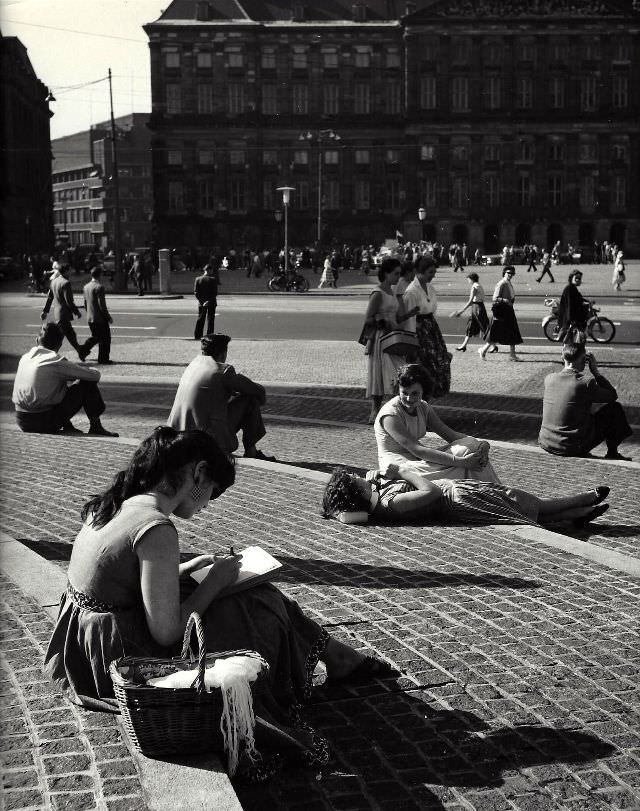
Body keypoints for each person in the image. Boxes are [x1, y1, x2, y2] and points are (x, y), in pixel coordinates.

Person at [44, 427, 396, 778]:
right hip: (119, 651)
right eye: (211, 492)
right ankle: (333, 658)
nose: (207, 504)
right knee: (257, 606)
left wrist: (184, 569)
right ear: (198, 473)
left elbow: (118, 576)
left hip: (86, 641)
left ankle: (336, 657)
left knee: (250, 596)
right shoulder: (156, 528)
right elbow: (166, 633)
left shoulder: (121, 504)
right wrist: (214, 581)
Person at [321, 466, 611, 530]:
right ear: (354, 490)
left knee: (527, 511)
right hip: (458, 498)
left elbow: (344, 514)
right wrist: (406, 472)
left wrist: (380, 480)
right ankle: (584, 499)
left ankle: (578, 515)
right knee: (530, 505)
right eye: (352, 477)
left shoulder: (378, 498)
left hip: (460, 496)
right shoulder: (390, 505)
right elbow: (430, 491)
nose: (356, 474)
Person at [374, 363, 500, 484]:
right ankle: (498, 492)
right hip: (400, 470)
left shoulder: (423, 407)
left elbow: (451, 435)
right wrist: (463, 462)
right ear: (398, 390)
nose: (409, 398)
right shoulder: (391, 415)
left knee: (471, 446)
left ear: (424, 391)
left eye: (415, 393)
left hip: (421, 463)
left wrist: (482, 444)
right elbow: (417, 450)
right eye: (404, 393)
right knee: (464, 462)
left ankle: (494, 492)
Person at [168, 333, 276, 461]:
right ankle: (251, 451)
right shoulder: (222, 371)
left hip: (177, 435)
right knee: (250, 400)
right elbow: (257, 391)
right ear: (223, 353)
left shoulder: (193, 365)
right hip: (206, 439)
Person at [12, 323, 118, 436]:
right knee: (85, 382)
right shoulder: (55, 361)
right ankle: (96, 426)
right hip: (43, 422)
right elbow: (94, 376)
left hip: (21, 420)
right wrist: (84, 371)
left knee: (54, 383)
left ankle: (68, 425)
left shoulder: (25, 358)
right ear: (60, 344)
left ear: (37, 340)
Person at [539, 342, 633, 461]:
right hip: (573, 446)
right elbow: (612, 395)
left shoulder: (549, 378)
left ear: (563, 358)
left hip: (546, 442)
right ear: (584, 360)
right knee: (614, 408)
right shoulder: (586, 383)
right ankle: (612, 452)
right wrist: (596, 372)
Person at [363, 257, 419, 424]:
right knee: (380, 372)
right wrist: (383, 322)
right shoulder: (378, 293)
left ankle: (393, 411)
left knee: (395, 372)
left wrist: (409, 314)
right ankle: (375, 410)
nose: (397, 277)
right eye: (395, 274)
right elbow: (368, 319)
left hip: (393, 337)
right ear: (386, 273)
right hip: (381, 338)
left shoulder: (392, 292)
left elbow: (397, 317)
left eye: (399, 274)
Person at [402, 256, 451, 397]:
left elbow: (433, 309)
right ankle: (421, 402)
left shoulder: (430, 287)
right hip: (418, 331)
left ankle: (427, 399)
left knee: (439, 362)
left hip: (431, 329)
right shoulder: (411, 291)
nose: (433, 275)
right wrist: (412, 341)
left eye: (434, 272)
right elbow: (410, 319)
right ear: (420, 272)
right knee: (424, 367)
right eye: (430, 272)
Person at [40, 263, 90, 361]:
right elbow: (69, 301)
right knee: (64, 336)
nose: (71, 272)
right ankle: (48, 355)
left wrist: (45, 311)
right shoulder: (66, 283)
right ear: (66, 271)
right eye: (70, 270)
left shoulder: (54, 281)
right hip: (64, 314)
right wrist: (76, 312)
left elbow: (50, 298)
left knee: (68, 334)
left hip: (57, 314)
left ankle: (80, 351)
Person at [479, 266, 523, 361]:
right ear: (504, 273)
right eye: (508, 273)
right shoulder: (501, 283)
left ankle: (512, 355)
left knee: (513, 331)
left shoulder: (508, 283)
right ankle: (483, 350)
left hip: (508, 311)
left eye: (512, 273)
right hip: (502, 312)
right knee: (496, 332)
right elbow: (494, 298)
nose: (510, 275)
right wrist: (505, 300)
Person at [83, 267, 113, 364]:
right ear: (99, 275)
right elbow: (102, 306)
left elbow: (85, 303)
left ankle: (83, 351)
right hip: (99, 318)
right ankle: (103, 358)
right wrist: (108, 317)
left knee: (96, 337)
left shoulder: (86, 286)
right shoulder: (99, 287)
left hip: (90, 317)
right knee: (105, 338)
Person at [453, 272, 489, 352]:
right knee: (471, 326)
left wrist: (461, 311)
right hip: (477, 307)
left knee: (483, 327)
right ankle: (464, 345)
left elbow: (470, 301)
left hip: (477, 308)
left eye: (468, 279)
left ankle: (492, 345)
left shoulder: (474, 287)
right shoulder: (478, 285)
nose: (468, 281)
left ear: (471, 279)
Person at [557, 270, 589, 342]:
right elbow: (569, 306)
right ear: (571, 278)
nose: (578, 280)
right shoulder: (569, 289)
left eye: (580, 278)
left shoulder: (573, 288)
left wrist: (587, 302)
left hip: (574, 319)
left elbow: (579, 299)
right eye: (576, 278)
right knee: (572, 342)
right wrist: (571, 320)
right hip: (571, 320)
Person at [193, 262, 220, 340]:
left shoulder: (198, 279)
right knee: (210, 319)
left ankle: (198, 335)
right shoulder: (213, 279)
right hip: (211, 302)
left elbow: (196, 292)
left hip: (201, 303)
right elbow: (214, 292)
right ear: (210, 270)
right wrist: (208, 301)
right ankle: (210, 336)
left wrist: (202, 301)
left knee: (201, 319)